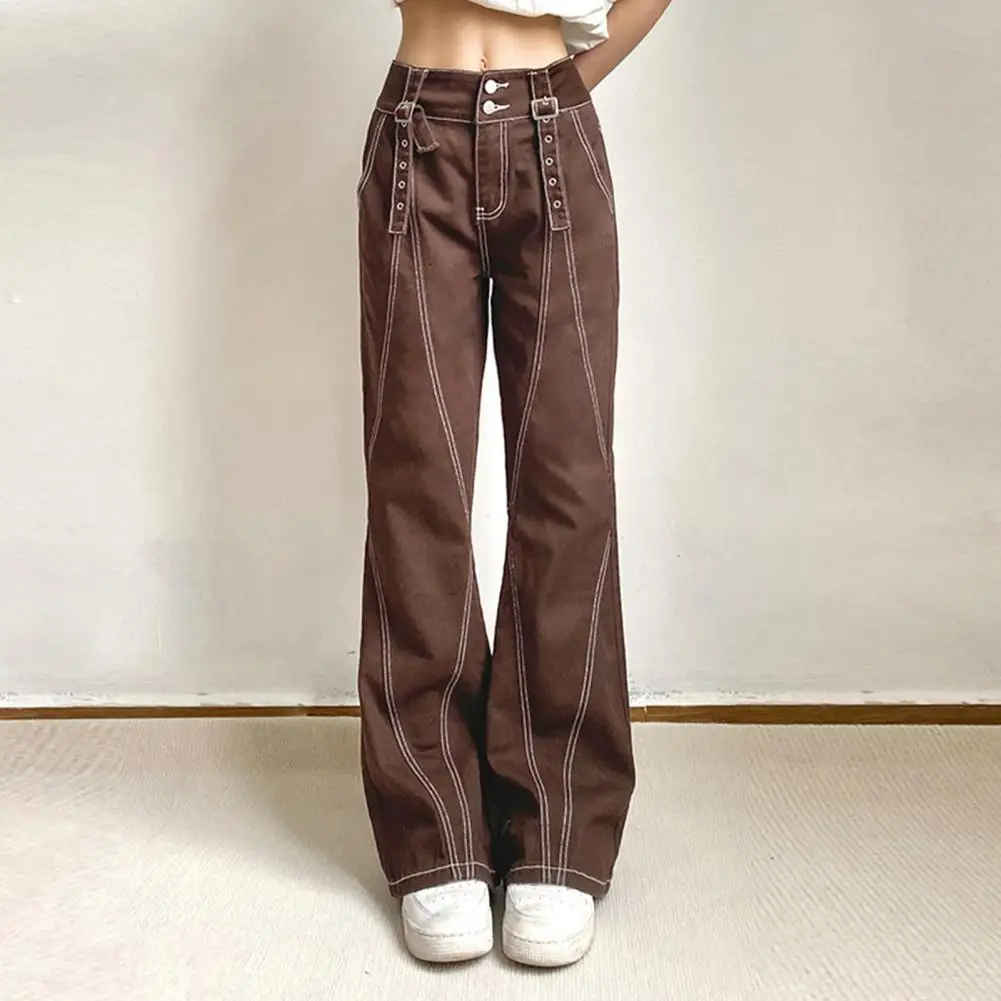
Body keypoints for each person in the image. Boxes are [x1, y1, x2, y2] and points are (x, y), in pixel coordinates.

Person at [357, 0, 671, 967]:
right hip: (417, 130)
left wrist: (560, 86)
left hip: (554, 128)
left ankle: (558, 830)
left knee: (567, 482)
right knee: (418, 478)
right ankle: (435, 833)